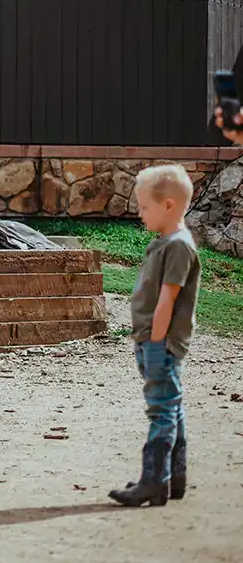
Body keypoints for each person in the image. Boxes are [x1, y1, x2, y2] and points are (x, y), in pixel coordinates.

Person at [108, 164, 201, 507]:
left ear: (168, 206)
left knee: (161, 409)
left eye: (145, 207)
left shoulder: (178, 247)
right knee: (171, 407)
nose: (140, 213)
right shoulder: (165, 243)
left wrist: (155, 344)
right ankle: (174, 478)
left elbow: (168, 298)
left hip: (159, 342)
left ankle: (153, 482)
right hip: (153, 339)